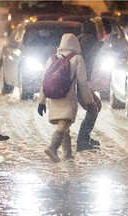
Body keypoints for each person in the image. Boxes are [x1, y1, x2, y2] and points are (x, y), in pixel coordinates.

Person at [38, 33, 94, 163]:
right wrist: (89, 101)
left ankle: (67, 154)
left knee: (64, 125)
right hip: (67, 97)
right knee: (65, 122)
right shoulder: (77, 58)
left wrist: (41, 101)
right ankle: (52, 147)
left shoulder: (51, 59)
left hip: (53, 96)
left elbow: (44, 82)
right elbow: (82, 83)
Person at [76, 17, 106, 152]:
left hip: (79, 80)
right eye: (103, 30)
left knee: (96, 105)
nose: (105, 33)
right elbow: (83, 62)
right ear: (98, 29)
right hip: (78, 81)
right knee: (93, 107)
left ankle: (84, 138)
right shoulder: (90, 41)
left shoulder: (85, 37)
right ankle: (82, 141)